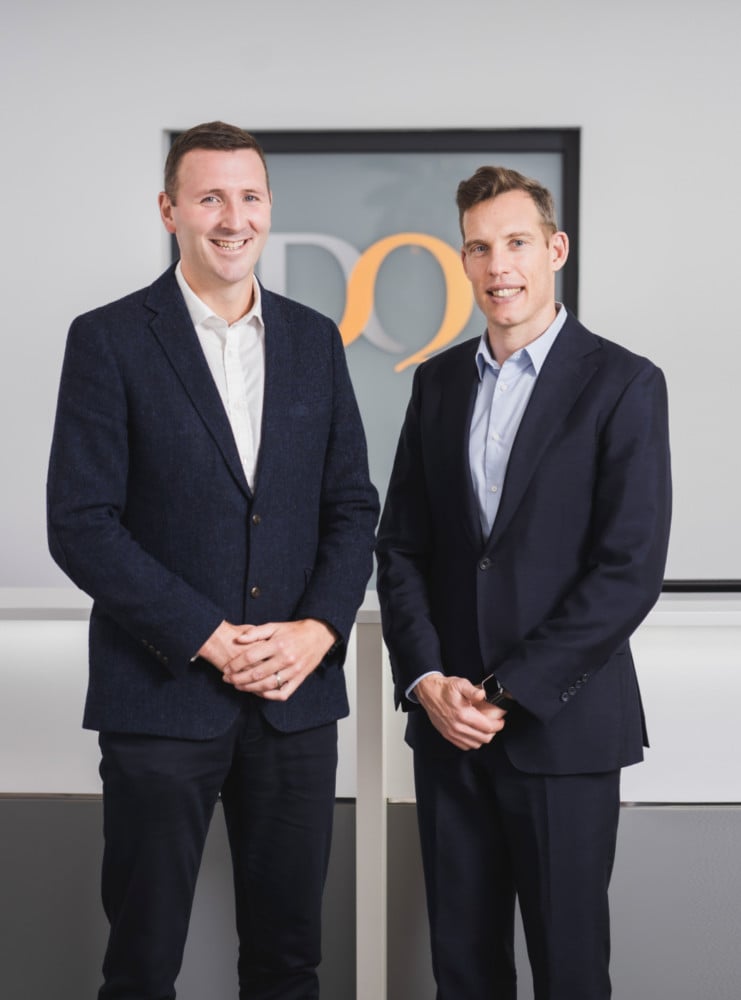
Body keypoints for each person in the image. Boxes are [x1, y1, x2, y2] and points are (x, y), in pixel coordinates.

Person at [47, 121, 379, 1000]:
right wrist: (208, 636)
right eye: (209, 198)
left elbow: (352, 506)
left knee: (287, 964)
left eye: (249, 196)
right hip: (159, 696)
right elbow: (80, 524)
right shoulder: (109, 338)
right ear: (169, 210)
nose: (233, 218)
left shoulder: (314, 340)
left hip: (294, 704)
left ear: (269, 206)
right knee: (141, 965)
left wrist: (317, 630)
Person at [376, 166, 671, 1000]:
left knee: (568, 971)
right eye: (478, 247)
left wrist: (506, 692)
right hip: (448, 728)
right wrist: (427, 681)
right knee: (462, 971)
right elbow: (401, 549)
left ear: (555, 249)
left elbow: (628, 569)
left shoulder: (623, 382)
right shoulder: (436, 382)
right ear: (462, 261)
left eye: (514, 243)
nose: (497, 265)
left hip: (562, 730)